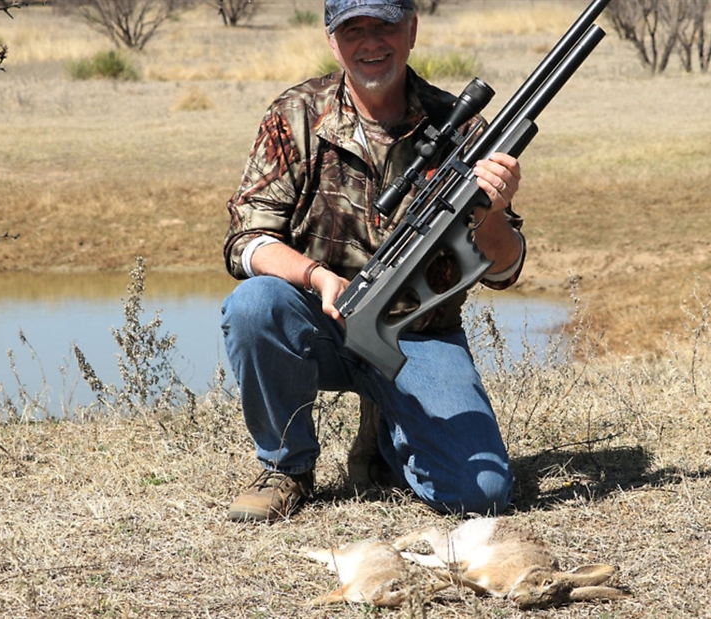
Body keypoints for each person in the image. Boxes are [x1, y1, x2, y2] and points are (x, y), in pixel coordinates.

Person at [220, 0, 527, 523]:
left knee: (483, 495)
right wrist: (316, 277)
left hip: (420, 335)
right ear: (330, 39)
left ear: (411, 29)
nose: (370, 42)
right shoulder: (294, 113)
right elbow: (246, 241)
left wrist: (492, 214)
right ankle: (285, 467)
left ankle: (387, 441)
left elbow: (504, 269)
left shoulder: (462, 128)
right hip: (323, 321)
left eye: (384, 25)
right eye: (353, 29)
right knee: (254, 305)